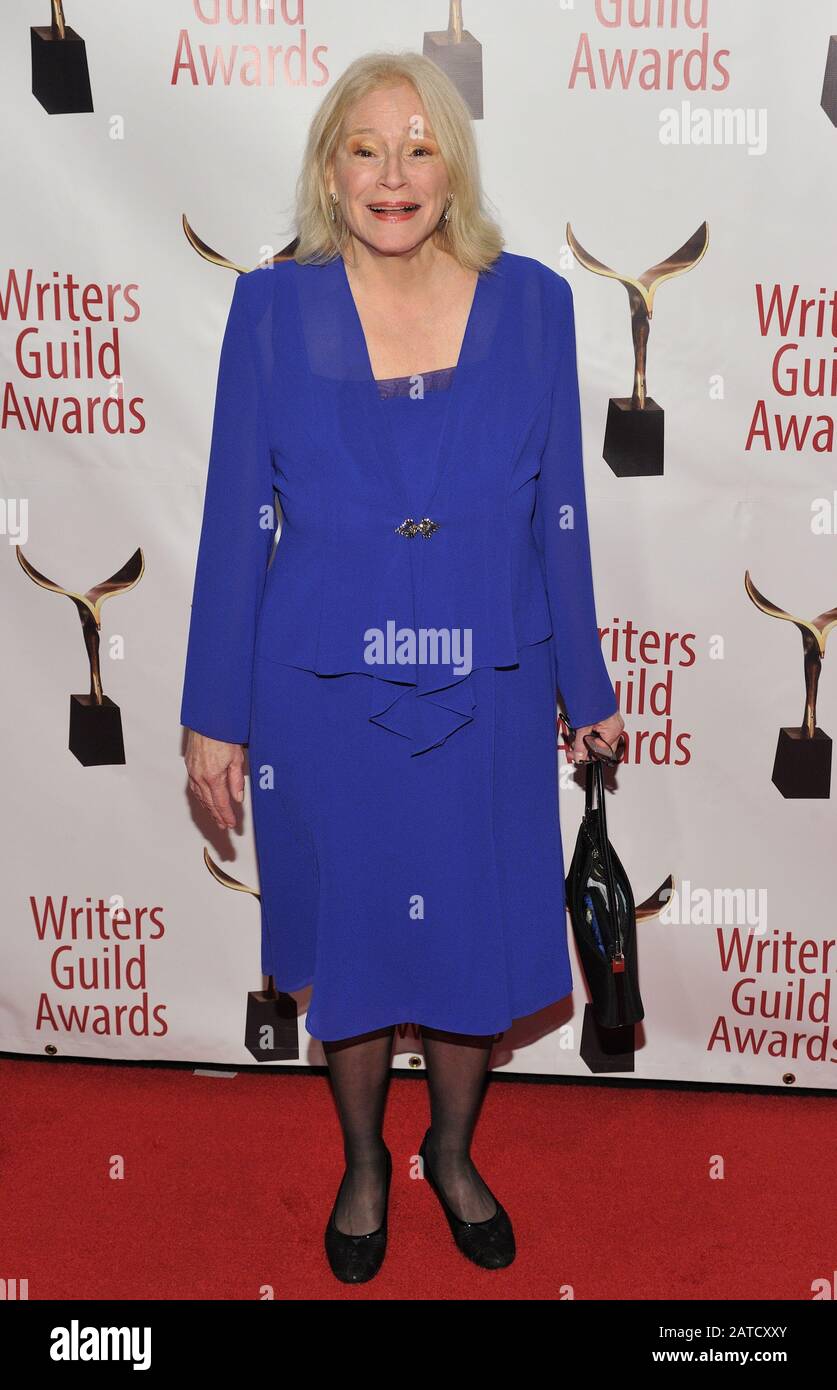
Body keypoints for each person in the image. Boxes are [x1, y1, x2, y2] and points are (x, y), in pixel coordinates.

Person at [180, 50, 625, 1285]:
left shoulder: (534, 303)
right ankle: (368, 1160)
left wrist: (582, 685)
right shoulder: (274, 310)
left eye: (420, 145)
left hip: (487, 684)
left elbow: (563, 515)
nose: (394, 173)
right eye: (366, 147)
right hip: (322, 692)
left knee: (473, 942)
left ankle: (456, 1152)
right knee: (362, 948)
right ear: (331, 166)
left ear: (454, 165)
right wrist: (213, 716)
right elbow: (231, 521)